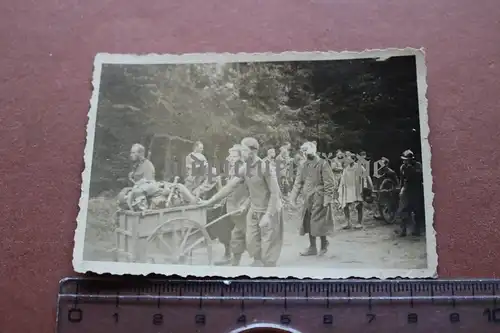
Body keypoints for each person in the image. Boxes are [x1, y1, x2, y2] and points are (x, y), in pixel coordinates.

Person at [201, 137, 283, 267]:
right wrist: (209, 202)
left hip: (269, 210)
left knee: (268, 248)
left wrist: (268, 215)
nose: (242, 154)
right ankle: (257, 262)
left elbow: (275, 193)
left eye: (244, 150)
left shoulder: (265, 167)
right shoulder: (245, 168)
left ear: (253, 151)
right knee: (251, 241)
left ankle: (267, 270)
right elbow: (230, 187)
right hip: (254, 210)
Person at [289, 142, 336, 256]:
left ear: (312, 150)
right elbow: (298, 182)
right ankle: (312, 247)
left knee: (318, 221)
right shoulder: (302, 165)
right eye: (303, 150)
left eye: (306, 150)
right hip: (307, 197)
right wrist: (293, 198)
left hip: (319, 196)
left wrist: (327, 199)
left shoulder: (322, 163)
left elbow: (329, 183)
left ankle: (324, 245)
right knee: (308, 221)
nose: (304, 153)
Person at [214, 144, 251, 266]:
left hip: (239, 203)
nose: (232, 157)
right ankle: (228, 254)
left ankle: (256, 256)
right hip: (228, 202)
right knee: (223, 228)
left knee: (242, 231)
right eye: (231, 155)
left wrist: (245, 204)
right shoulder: (231, 168)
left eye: (235, 155)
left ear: (240, 156)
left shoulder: (244, 168)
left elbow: (251, 189)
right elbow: (227, 187)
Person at [337, 154, 373, 229]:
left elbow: (365, 177)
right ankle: (348, 222)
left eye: (349, 159)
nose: (347, 160)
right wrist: (340, 188)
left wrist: (365, 188)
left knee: (359, 206)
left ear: (353, 159)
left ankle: (359, 223)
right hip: (348, 188)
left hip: (358, 188)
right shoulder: (346, 168)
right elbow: (343, 179)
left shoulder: (359, 167)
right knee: (345, 205)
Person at [395, 150, 424, 237]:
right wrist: (401, 189)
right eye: (403, 159)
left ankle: (417, 229)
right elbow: (402, 179)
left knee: (417, 210)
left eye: (406, 159)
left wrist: (411, 168)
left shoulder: (417, 165)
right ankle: (403, 230)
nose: (404, 161)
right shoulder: (403, 167)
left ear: (411, 159)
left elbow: (420, 176)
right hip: (407, 190)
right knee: (403, 209)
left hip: (416, 190)